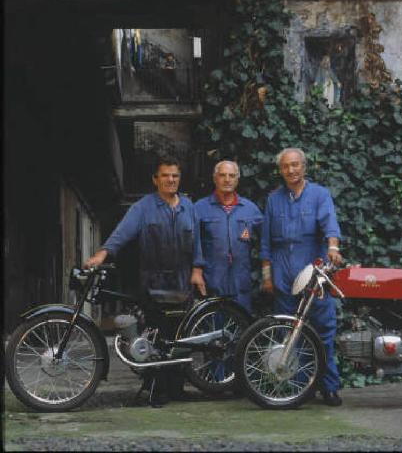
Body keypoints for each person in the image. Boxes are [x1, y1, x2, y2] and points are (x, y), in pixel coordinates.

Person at [83, 156, 205, 404]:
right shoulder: (142, 208)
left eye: (175, 176)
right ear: (155, 179)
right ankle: (155, 388)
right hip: (153, 282)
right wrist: (102, 254)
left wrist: (197, 270)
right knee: (155, 335)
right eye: (165, 175)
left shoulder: (189, 207)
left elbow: (197, 243)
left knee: (179, 337)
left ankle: (176, 388)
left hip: (182, 282)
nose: (171, 180)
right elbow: (122, 234)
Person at [260, 148, 344, 406]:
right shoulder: (274, 200)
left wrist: (333, 247)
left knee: (322, 331)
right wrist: (267, 275)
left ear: (304, 167)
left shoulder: (319, 195)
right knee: (288, 331)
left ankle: (328, 387)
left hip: (312, 271)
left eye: (295, 165)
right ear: (280, 170)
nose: (291, 170)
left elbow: (330, 224)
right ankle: (298, 385)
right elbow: (265, 241)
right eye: (286, 166)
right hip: (282, 271)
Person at [194, 160, 263, 313]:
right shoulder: (199, 208)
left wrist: (264, 269)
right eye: (222, 175)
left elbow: (266, 240)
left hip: (241, 281)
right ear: (214, 178)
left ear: (237, 179)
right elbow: (192, 243)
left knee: (241, 325)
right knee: (213, 328)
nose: (227, 179)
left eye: (232, 175)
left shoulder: (250, 209)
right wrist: (196, 270)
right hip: (212, 279)